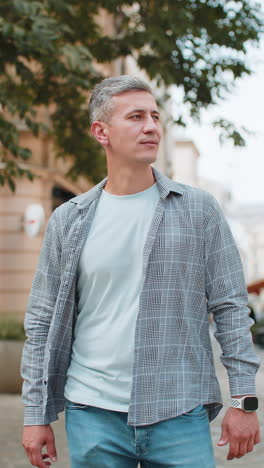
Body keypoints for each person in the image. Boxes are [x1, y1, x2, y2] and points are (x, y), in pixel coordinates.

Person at [21, 75, 260, 468]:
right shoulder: (69, 220)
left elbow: (232, 308)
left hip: (180, 410)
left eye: (154, 115)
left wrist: (243, 401)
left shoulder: (199, 211)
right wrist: (35, 415)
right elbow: (42, 321)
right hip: (92, 413)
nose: (151, 126)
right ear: (102, 132)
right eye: (135, 117)